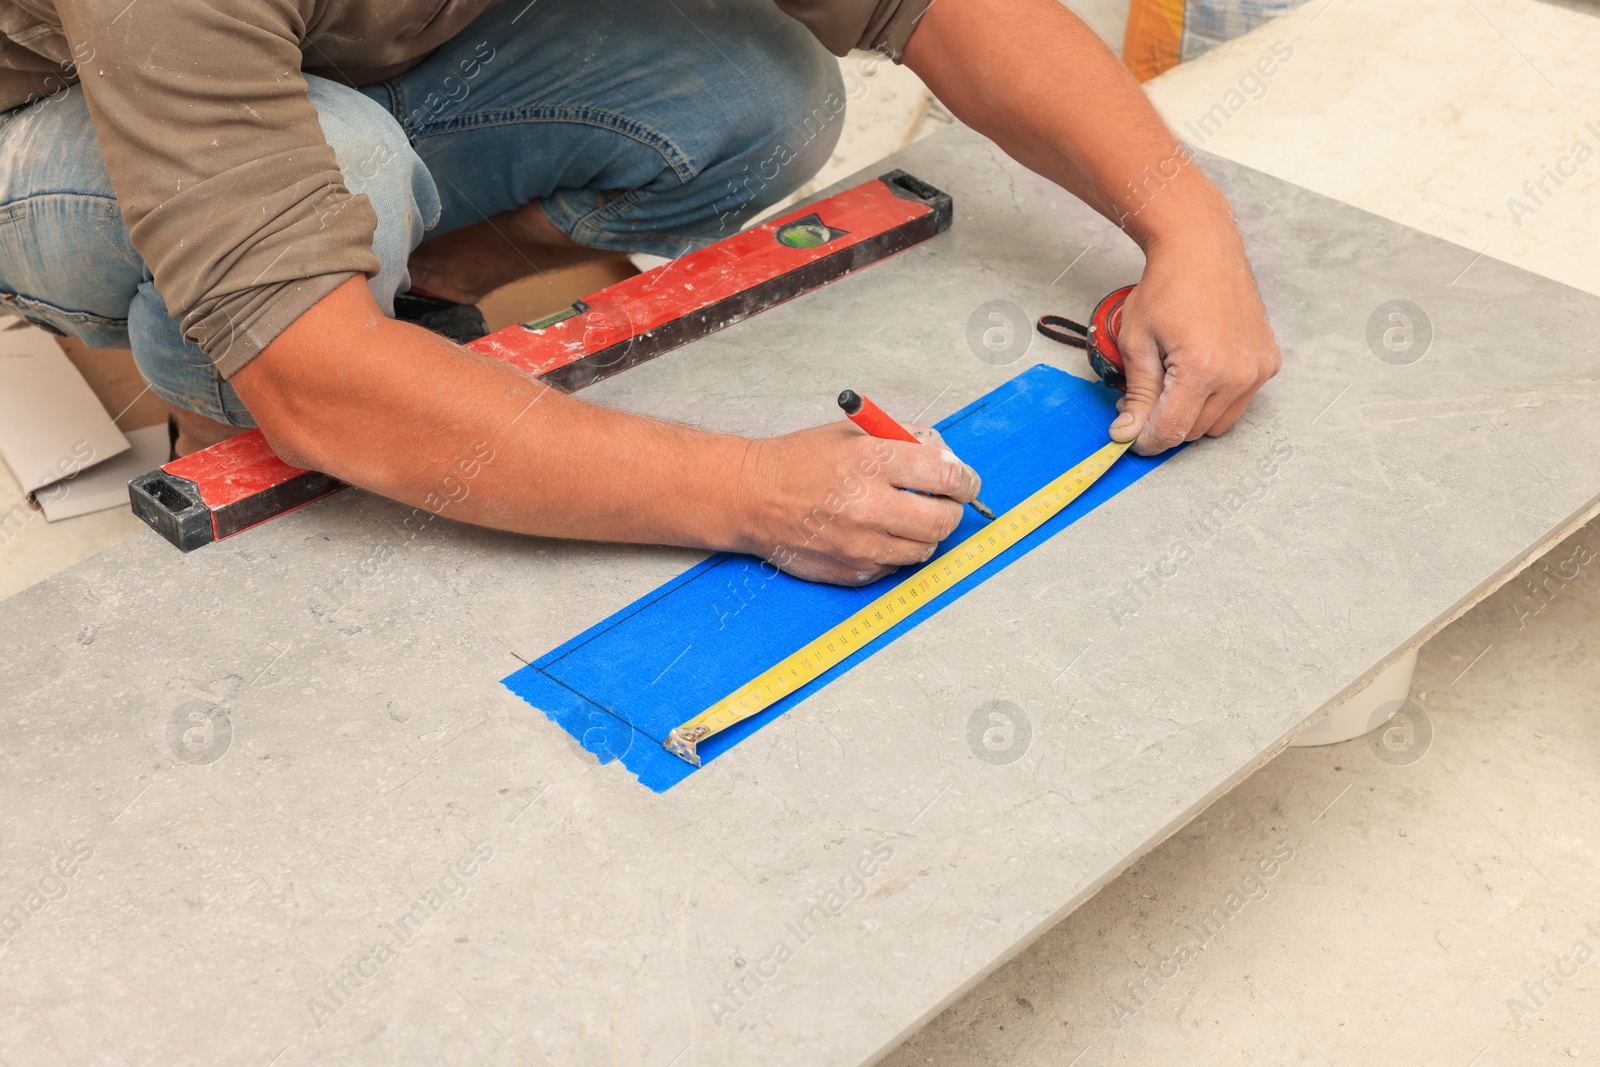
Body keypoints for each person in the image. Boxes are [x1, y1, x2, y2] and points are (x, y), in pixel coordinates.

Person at [0, 0, 1280, 586]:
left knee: (758, 90)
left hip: (334, 55)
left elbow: (937, 6)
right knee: (337, 190)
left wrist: (1188, 227)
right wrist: (744, 495)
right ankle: (228, 367)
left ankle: (406, 270)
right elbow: (311, 373)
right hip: (57, 137)